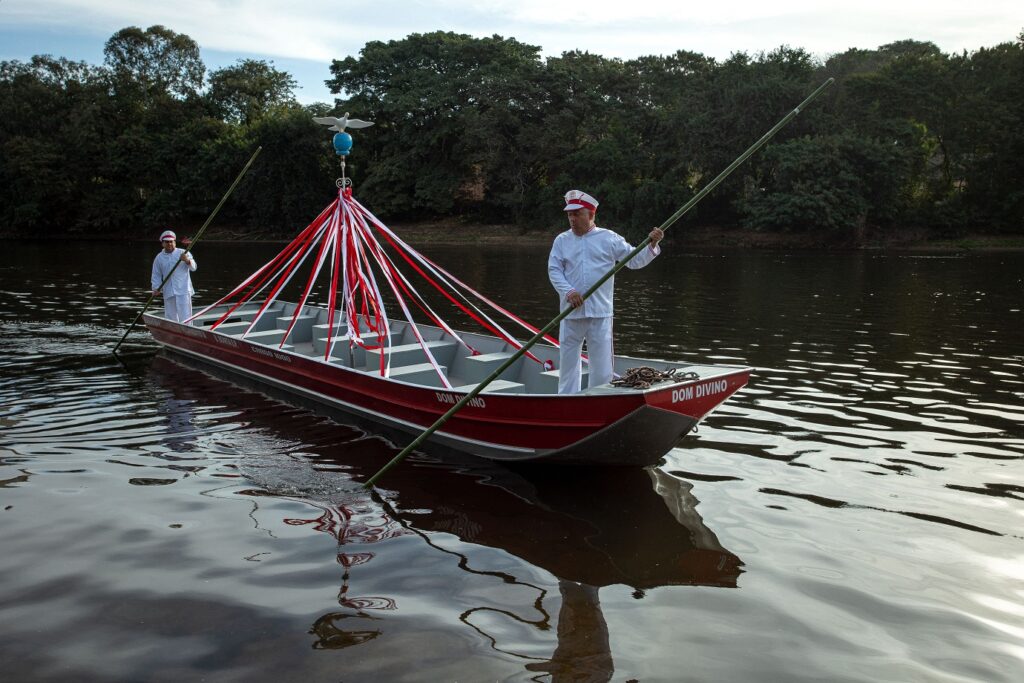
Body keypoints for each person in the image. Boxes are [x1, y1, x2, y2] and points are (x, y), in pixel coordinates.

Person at [548, 190, 664, 394]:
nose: (572, 219)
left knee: (601, 369)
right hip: (570, 312)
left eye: (577, 214)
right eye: (569, 215)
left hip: (600, 313)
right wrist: (569, 291)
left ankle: (597, 400)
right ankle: (566, 402)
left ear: (591, 215)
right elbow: (554, 271)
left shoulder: (609, 238)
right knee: (567, 366)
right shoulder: (561, 240)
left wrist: (652, 244)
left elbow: (634, 260)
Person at [151, 229, 197, 324]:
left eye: (171, 242)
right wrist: (156, 288)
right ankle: (172, 334)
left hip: (183, 290)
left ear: (174, 242)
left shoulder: (183, 253)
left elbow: (194, 268)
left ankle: (188, 332)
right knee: (170, 317)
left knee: (186, 316)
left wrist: (187, 260)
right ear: (162, 243)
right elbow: (156, 274)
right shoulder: (159, 257)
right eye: (167, 242)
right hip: (168, 291)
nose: (169, 244)